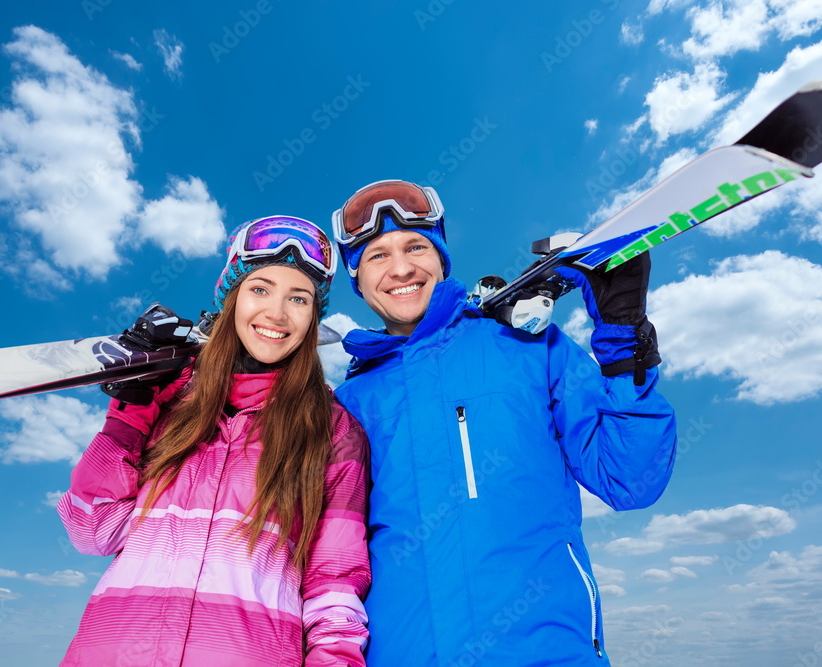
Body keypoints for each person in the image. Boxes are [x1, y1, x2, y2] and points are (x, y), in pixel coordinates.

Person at [329, 180, 678, 666]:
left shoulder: (529, 350)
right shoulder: (348, 405)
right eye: (377, 256)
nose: (402, 267)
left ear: (442, 259)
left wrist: (623, 341)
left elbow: (631, 479)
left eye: (415, 246)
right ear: (358, 280)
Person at [57, 216, 371, 666]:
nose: (277, 313)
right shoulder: (171, 405)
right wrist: (133, 406)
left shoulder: (333, 431)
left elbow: (334, 581)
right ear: (231, 298)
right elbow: (92, 530)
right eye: (260, 289)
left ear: (312, 318)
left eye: (298, 298)